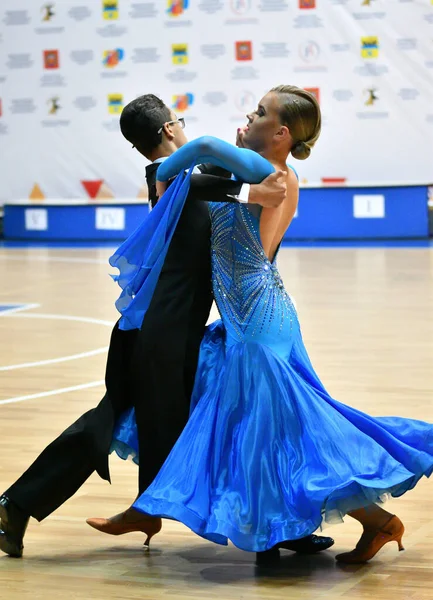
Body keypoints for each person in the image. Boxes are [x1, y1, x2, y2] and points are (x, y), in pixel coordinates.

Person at [108, 85, 433, 563]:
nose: (249, 115)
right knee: (273, 428)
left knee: (288, 425)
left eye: (260, 112)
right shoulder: (264, 172)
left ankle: (369, 520)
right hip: (254, 315)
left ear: (280, 133)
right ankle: (324, 526)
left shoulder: (267, 173)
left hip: (258, 318)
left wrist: (164, 172)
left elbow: (196, 150)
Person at [0, 94, 332, 559]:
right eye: (180, 121)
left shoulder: (199, 175)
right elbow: (194, 182)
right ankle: (21, 504)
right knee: (115, 423)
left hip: (176, 331)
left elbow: (229, 179)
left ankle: (267, 523)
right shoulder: (169, 176)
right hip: (155, 332)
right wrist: (246, 187)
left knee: (212, 419)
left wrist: (246, 168)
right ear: (169, 129)